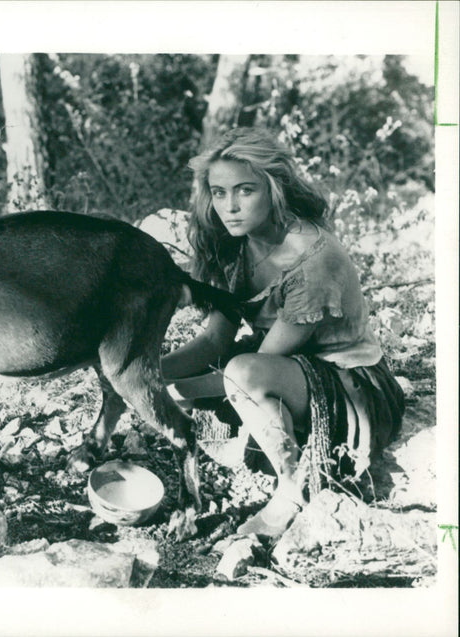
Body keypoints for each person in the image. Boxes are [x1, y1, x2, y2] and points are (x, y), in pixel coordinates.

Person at [162, 127, 405, 538]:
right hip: (286, 368)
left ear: (274, 189)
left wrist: (174, 390)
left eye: (244, 191)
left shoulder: (312, 257)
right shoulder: (235, 245)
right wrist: (146, 372)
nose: (229, 207)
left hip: (349, 386)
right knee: (220, 367)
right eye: (219, 193)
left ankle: (292, 492)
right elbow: (213, 341)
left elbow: (250, 370)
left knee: (239, 372)